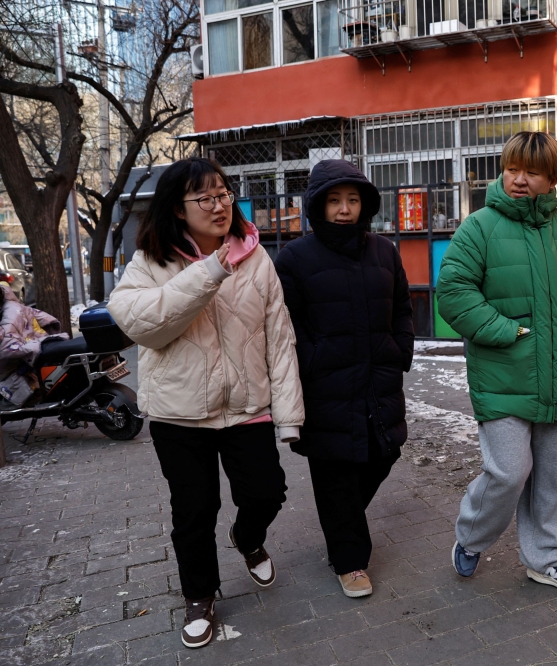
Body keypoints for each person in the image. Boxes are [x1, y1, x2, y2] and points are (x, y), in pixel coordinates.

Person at [107, 158, 304, 649]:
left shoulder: (257, 258)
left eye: (223, 194)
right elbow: (143, 324)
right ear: (179, 207)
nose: (219, 206)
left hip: (245, 405)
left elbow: (278, 338)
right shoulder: (151, 261)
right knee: (194, 510)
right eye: (205, 198)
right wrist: (210, 270)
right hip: (180, 413)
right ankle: (200, 595)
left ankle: (247, 536)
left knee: (266, 492)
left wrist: (290, 416)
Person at [437, 131, 557, 594]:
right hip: (503, 375)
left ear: (552, 178)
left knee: (556, 475)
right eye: (512, 168)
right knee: (509, 472)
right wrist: (507, 332)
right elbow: (453, 294)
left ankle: (547, 558)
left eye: (531, 172)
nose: (518, 179)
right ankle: (471, 537)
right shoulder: (479, 227)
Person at [274, 160, 414, 599]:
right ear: (317, 205)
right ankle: (350, 560)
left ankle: (342, 525)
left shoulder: (385, 251)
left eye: (353, 200)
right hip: (326, 387)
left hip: (378, 379)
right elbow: (286, 325)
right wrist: (313, 361)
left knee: (384, 453)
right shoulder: (295, 258)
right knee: (335, 472)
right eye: (334, 200)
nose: (344, 209)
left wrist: (400, 352)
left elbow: (403, 308)